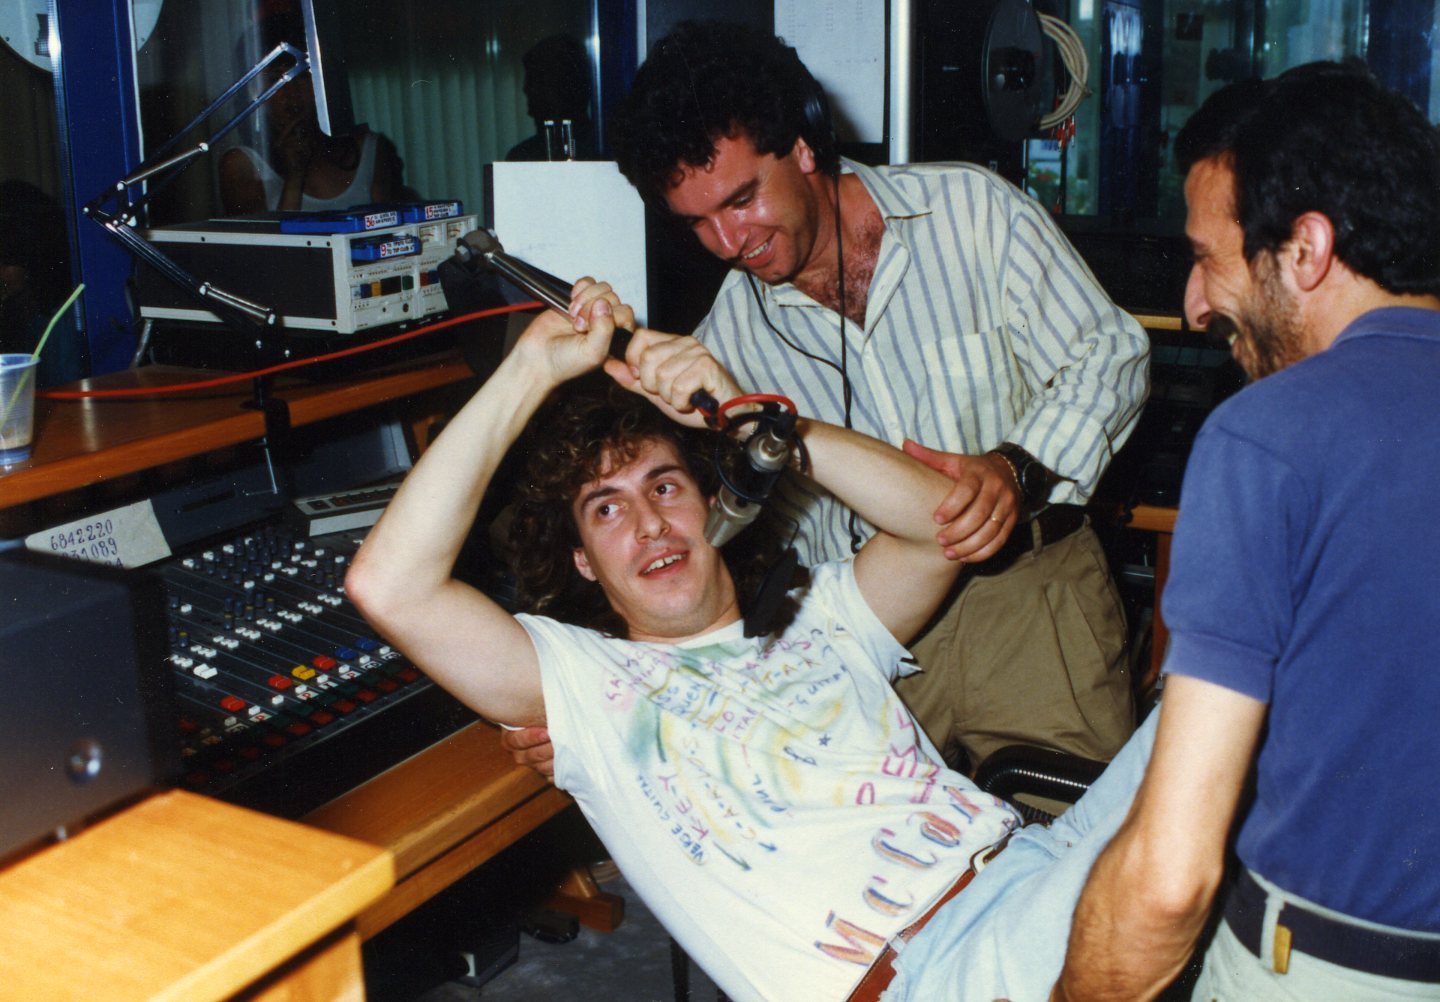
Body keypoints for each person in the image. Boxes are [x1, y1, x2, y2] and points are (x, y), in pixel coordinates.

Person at [346, 280, 1159, 1002]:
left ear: (715, 501)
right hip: (942, 969)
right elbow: (390, 586)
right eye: (607, 509)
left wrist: (752, 419)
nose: (649, 523)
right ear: (583, 562)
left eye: (665, 486)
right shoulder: (588, 683)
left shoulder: (825, 610)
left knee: (1221, 705)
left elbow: (940, 524)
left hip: (1043, 858)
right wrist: (530, 368)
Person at [502, 20, 1150, 778]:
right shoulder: (724, 338)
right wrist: (583, 699)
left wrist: (1017, 468)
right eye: (698, 223)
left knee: (1081, 838)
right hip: (870, 628)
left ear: (805, 145)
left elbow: (1110, 353)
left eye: (741, 199)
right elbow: (689, 544)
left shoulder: (972, 211)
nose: (727, 243)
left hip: (1030, 595)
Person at [1050, 62, 1440, 1000]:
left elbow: (1170, 879)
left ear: (1305, 250)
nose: (1193, 304)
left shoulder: (1268, 438)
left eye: (1208, 258)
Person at [218, 9, 401, 214]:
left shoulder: (368, 150)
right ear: (254, 92)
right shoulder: (242, 165)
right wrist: (294, 177)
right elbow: (268, 236)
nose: (291, 92)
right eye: (275, 80)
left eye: (303, 76)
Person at [504, 33, 599, 163]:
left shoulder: (601, 152)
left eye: (535, 79)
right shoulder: (522, 157)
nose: (526, 88)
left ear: (565, 85)